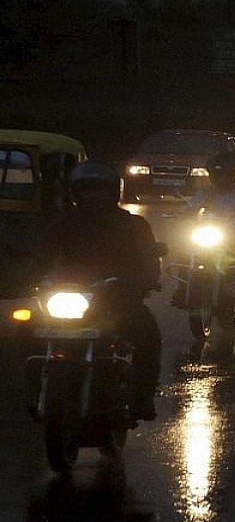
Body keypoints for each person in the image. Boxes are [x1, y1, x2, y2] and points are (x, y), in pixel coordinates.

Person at [32, 160, 162, 421]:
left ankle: (141, 399)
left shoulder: (133, 225)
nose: (93, 196)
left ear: (113, 192)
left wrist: (144, 279)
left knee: (147, 332)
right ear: (75, 193)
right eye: (86, 190)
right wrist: (30, 275)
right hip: (72, 299)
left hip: (118, 299)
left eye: (99, 190)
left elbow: (149, 259)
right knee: (26, 329)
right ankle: (37, 393)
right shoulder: (64, 224)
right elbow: (41, 258)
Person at [171, 150, 235, 309]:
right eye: (217, 174)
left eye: (224, 174)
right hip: (209, 231)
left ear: (233, 173)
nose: (221, 178)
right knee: (184, 251)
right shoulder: (206, 193)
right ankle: (182, 289)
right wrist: (182, 214)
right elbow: (190, 206)